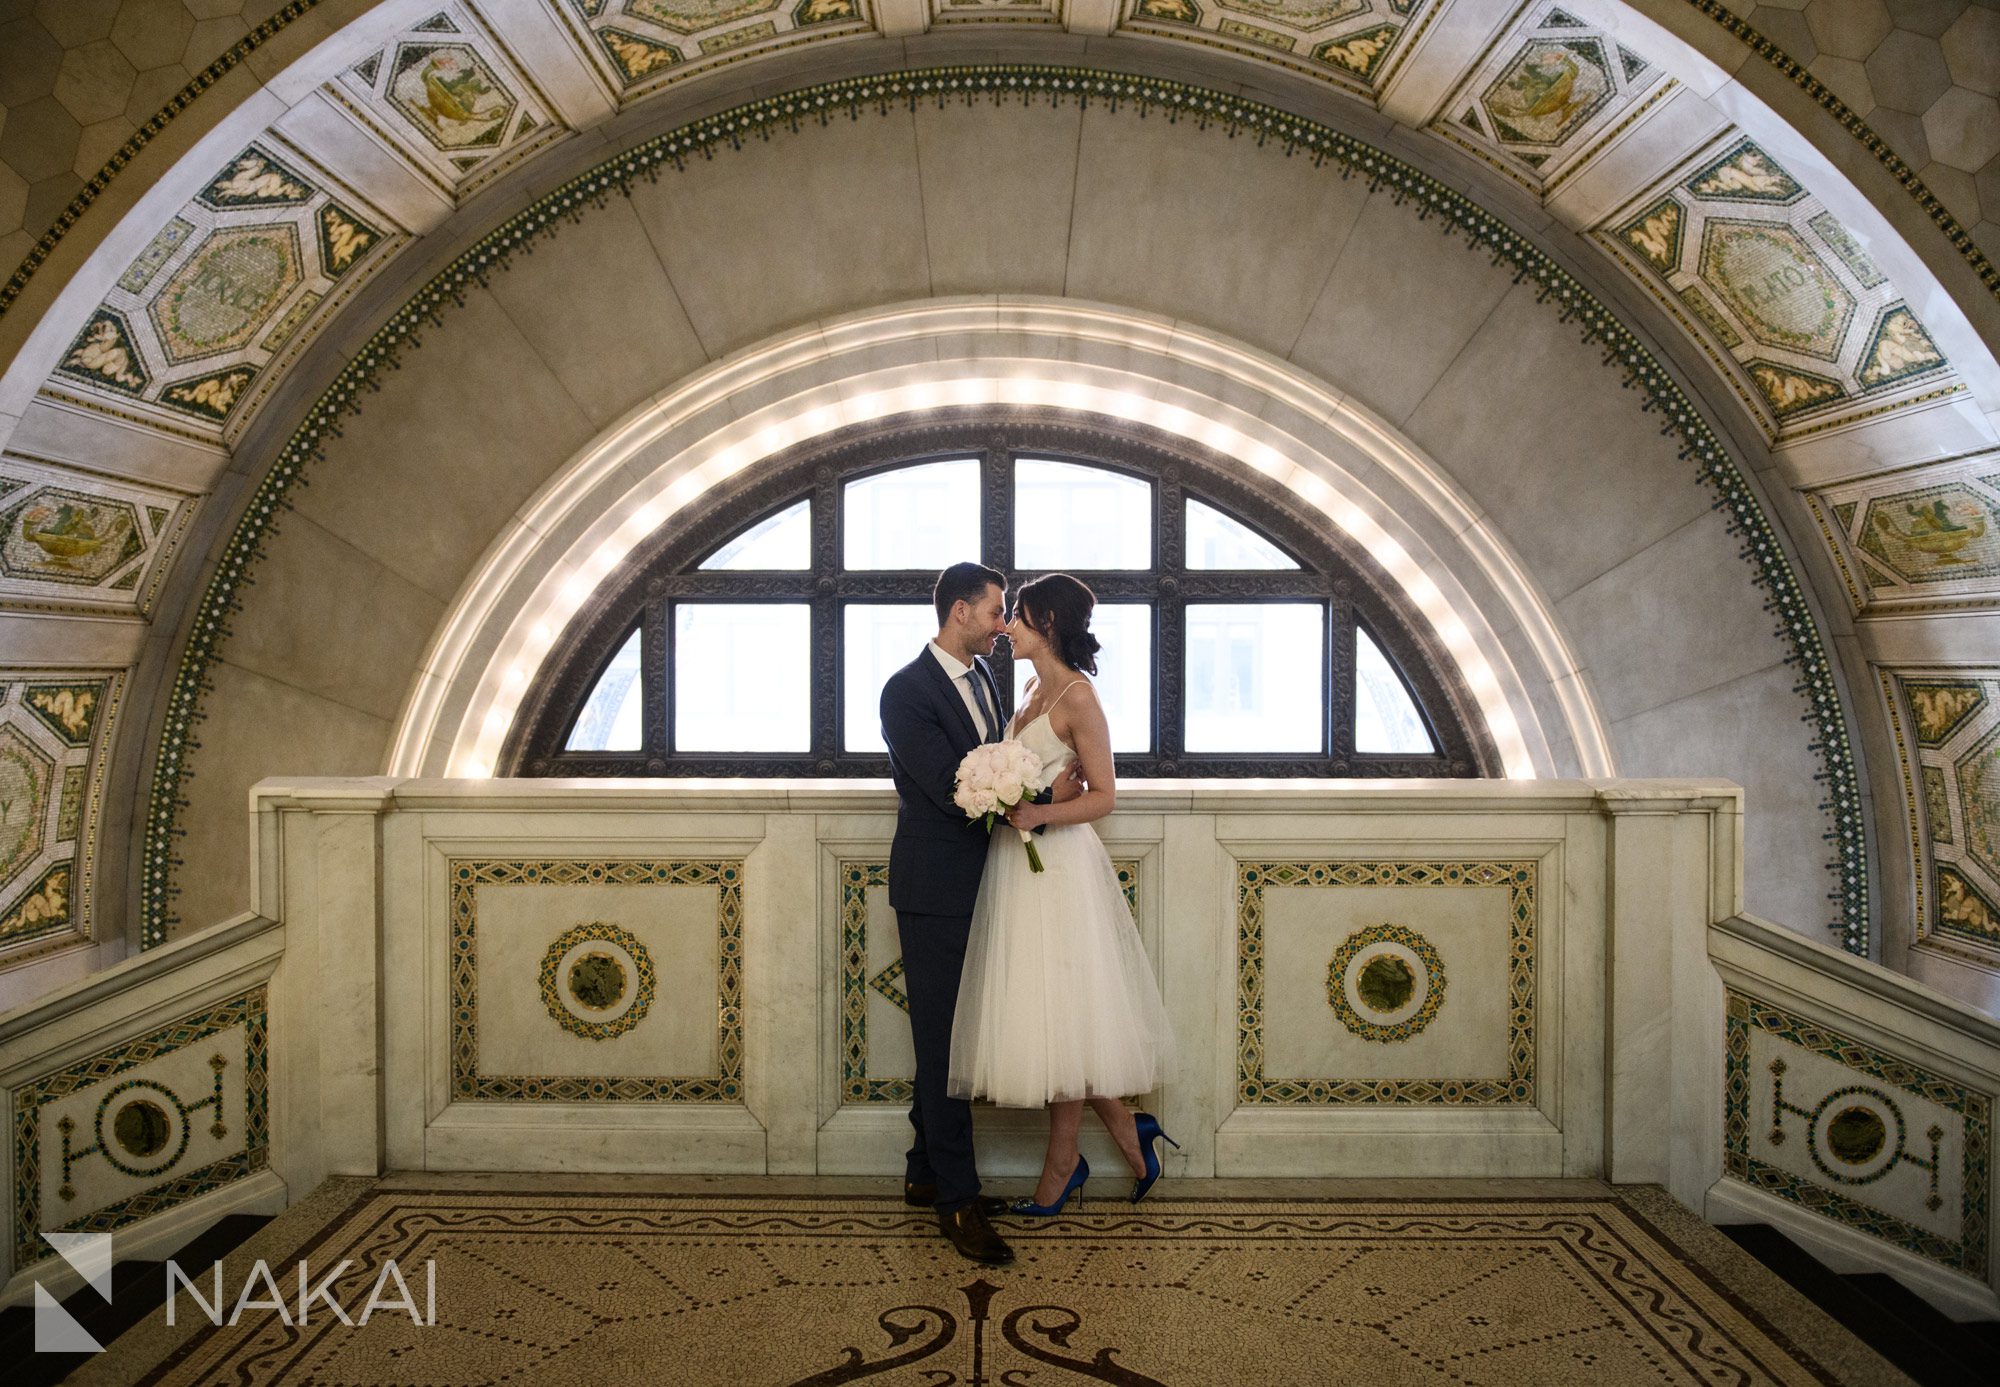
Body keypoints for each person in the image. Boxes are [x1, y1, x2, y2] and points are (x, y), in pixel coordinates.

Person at [948, 573, 1177, 1216]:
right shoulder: (1027, 687)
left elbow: (1104, 794)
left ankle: (1060, 1169)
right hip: (1018, 868)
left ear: (1046, 622)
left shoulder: (1079, 698)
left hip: (1061, 870)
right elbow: (1042, 780)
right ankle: (1132, 1139)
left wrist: (1040, 815)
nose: (1006, 629)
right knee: (1055, 1019)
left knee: (1067, 1016)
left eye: (1016, 617)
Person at [878, 562, 1081, 1265]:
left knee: (949, 1036)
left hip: (988, 883)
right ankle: (957, 1202)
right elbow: (947, 787)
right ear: (960, 610)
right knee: (942, 1045)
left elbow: (997, 759)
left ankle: (924, 1168)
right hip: (934, 887)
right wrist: (1045, 802)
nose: (1003, 625)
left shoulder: (991, 679)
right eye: (996, 612)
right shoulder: (904, 691)